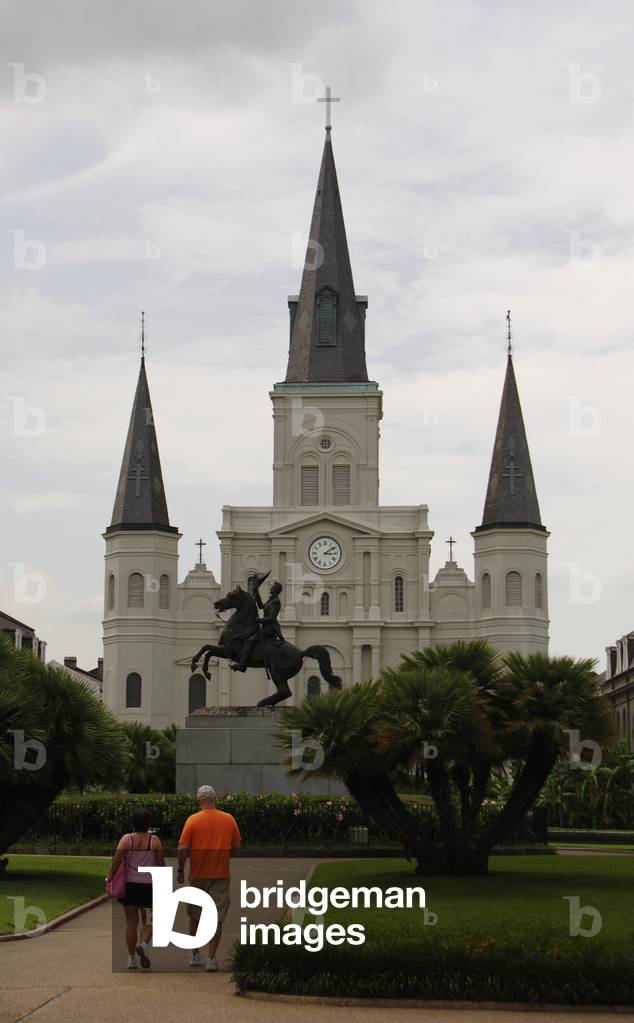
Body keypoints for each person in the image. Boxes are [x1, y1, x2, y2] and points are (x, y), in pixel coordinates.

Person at [177, 784, 241, 971]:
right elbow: (236, 846)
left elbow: (182, 848)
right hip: (220, 874)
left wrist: (180, 869)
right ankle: (211, 958)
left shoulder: (193, 820)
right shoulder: (228, 819)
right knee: (217, 917)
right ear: (215, 799)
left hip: (198, 874)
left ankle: (195, 952)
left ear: (199, 801)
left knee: (195, 915)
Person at [106, 807, 165, 970]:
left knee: (131, 923)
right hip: (149, 887)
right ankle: (143, 943)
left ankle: (131, 958)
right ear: (148, 824)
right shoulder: (155, 841)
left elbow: (116, 860)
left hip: (130, 886)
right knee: (148, 921)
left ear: (133, 823)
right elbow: (161, 865)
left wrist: (109, 878)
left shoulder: (127, 840)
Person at [234, 580, 284, 672]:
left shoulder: (276, 602)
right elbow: (261, 606)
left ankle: (242, 665)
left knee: (249, 641)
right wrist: (256, 592)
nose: (271, 588)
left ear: (276, 590)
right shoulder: (271, 600)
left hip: (270, 629)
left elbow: (271, 618)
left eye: (273, 587)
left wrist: (258, 620)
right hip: (264, 627)